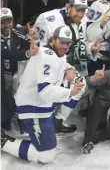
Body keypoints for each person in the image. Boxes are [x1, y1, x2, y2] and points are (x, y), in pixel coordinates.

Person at [1, 26, 85, 164]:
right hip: (34, 109)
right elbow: (45, 90)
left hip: (40, 107)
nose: (65, 46)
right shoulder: (47, 56)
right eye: (62, 42)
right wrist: (70, 92)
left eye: (67, 43)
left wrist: (69, 67)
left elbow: (61, 62)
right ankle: (2, 141)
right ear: (53, 40)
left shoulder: (52, 53)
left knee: (48, 149)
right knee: (46, 156)